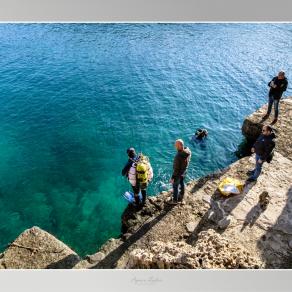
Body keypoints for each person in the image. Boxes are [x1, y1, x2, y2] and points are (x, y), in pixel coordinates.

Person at [169, 139, 191, 204]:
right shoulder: (187, 151)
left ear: (179, 146)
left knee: (175, 186)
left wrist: (173, 178)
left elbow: (176, 169)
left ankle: (175, 201)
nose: (175, 146)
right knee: (182, 182)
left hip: (178, 174)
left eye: (176, 145)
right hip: (184, 171)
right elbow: (188, 160)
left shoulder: (178, 156)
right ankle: (182, 193)